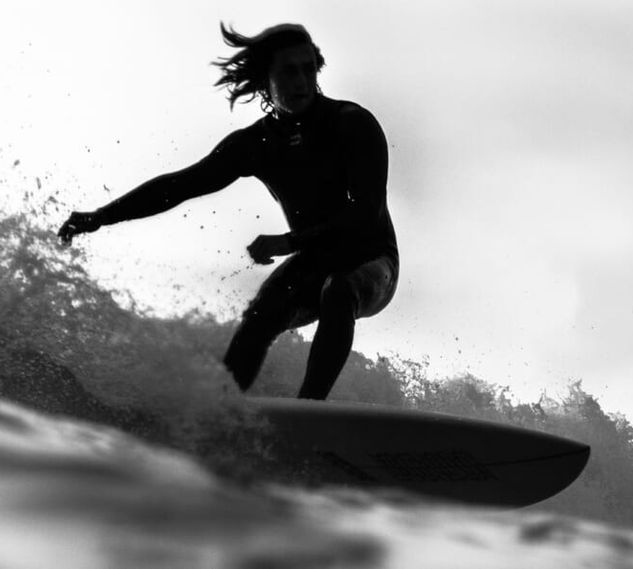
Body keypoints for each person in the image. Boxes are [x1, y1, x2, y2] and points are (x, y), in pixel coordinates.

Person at [57, 23, 398, 400]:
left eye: (308, 68)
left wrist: (290, 241)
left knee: (339, 291)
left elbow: (365, 214)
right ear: (265, 79)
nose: (302, 80)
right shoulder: (257, 144)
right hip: (314, 261)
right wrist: (101, 216)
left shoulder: (351, 123)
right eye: (289, 71)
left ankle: (309, 413)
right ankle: (222, 418)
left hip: (370, 260)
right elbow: (180, 186)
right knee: (259, 318)